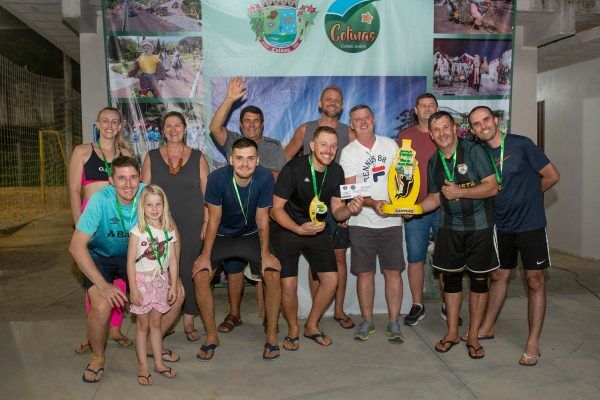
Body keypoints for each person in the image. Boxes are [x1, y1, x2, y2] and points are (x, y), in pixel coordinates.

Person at [69, 156, 184, 383]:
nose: (129, 184)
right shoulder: (99, 200)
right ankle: (97, 358)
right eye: (121, 178)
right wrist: (103, 286)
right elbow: (75, 246)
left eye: (133, 177)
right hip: (102, 258)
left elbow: (173, 235)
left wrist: (174, 276)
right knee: (102, 306)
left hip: (139, 259)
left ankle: (152, 347)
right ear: (111, 180)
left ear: (140, 176)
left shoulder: (149, 194)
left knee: (178, 296)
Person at [468, 106, 560, 366]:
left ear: (496, 120)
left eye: (486, 120)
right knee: (499, 276)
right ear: (473, 131)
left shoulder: (521, 144)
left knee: (534, 281)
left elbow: (552, 176)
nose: (483, 126)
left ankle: (533, 343)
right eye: (476, 124)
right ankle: (487, 327)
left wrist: (530, 196)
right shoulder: (480, 154)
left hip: (530, 224)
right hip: (501, 225)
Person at [270, 126, 363, 350]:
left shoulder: (336, 172)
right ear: (312, 146)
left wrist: (350, 210)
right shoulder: (293, 168)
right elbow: (275, 210)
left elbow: (337, 210)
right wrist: (297, 229)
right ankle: (293, 328)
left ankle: (312, 325)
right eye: (323, 144)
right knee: (289, 284)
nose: (328, 150)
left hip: (316, 229)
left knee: (331, 280)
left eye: (333, 146)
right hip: (287, 229)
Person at [414, 111, 498, 359]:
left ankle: (472, 336)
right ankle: (451, 332)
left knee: (479, 282)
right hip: (449, 228)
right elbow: (434, 198)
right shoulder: (433, 162)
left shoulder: (474, 151)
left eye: (445, 127)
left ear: (454, 128)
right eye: (436, 130)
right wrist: (414, 210)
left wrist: (460, 193)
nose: (441, 133)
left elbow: (491, 186)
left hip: (480, 227)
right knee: (450, 281)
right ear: (431, 135)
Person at [192, 138, 282, 361]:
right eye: (239, 158)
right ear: (231, 160)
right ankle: (211, 337)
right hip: (221, 236)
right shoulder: (216, 178)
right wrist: (204, 256)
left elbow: (263, 218)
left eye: (250, 158)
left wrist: (266, 254)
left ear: (258, 160)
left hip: (250, 235)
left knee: (272, 274)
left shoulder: (264, 177)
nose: (245, 164)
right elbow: (214, 219)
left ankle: (271, 337)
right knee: (201, 276)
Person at [209, 76, 287, 332]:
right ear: (240, 126)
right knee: (233, 269)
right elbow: (214, 128)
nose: (251, 125)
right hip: (234, 219)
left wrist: (261, 174)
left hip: (266, 215)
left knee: (268, 266)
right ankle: (234, 314)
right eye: (247, 121)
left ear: (263, 125)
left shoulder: (274, 147)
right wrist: (230, 98)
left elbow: (280, 180)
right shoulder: (233, 142)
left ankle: (270, 318)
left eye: (256, 121)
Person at [284, 85, 355, 329]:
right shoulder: (305, 130)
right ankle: (317, 311)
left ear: (342, 105)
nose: (333, 103)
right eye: (328, 99)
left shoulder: (349, 133)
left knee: (338, 260)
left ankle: (338, 309)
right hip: (307, 206)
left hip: (336, 204)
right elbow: (285, 161)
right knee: (317, 263)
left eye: (337, 99)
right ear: (319, 103)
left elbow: (352, 170)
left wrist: (345, 206)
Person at [68, 107, 132, 354]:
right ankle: (94, 331)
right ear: (97, 124)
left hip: (118, 224)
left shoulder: (125, 153)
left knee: (120, 276)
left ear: (119, 126)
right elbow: (74, 190)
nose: (109, 125)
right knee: (94, 277)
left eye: (114, 121)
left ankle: (114, 329)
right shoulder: (83, 152)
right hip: (91, 223)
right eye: (104, 121)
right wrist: (78, 224)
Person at [339, 105, 405, 342]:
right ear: (352, 124)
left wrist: (403, 204)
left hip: (392, 221)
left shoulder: (390, 145)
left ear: (374, 119)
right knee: (365, 274)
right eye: (358, 119)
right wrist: (373, 203)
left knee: (393, 272)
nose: (363, 122)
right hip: (362, 221)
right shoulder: (348, 152)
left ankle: (394, 322)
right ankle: (367, 321)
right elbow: (351, 190)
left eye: (367, 117)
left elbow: (402, 177)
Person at [142, 111, 209, 342]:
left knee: (188, 269)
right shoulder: (151, 156)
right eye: (168, 126)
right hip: (160, 224)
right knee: (162, 271)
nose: (173, 130)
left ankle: (189, 321)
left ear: (185, 129)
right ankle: (164, 319)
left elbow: (207, 194)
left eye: (177, 125)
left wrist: (207, 222)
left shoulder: (198, 156)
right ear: (162, 130)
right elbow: (144, 192)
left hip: (192, 222)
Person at [127, 185, 179, 385]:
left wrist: (173, 285)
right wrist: (133, 287)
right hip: (142, 283)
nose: (154, 208)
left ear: (164, 206)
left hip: (161, 282)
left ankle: (158, 362)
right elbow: (130, 262)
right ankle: (143, 366)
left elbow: (172, 260)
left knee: (156, 325)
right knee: (142, 326)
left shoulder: (168, 231)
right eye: (149, 204)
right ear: (143, 207)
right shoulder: (137, 232)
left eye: (158, 204)